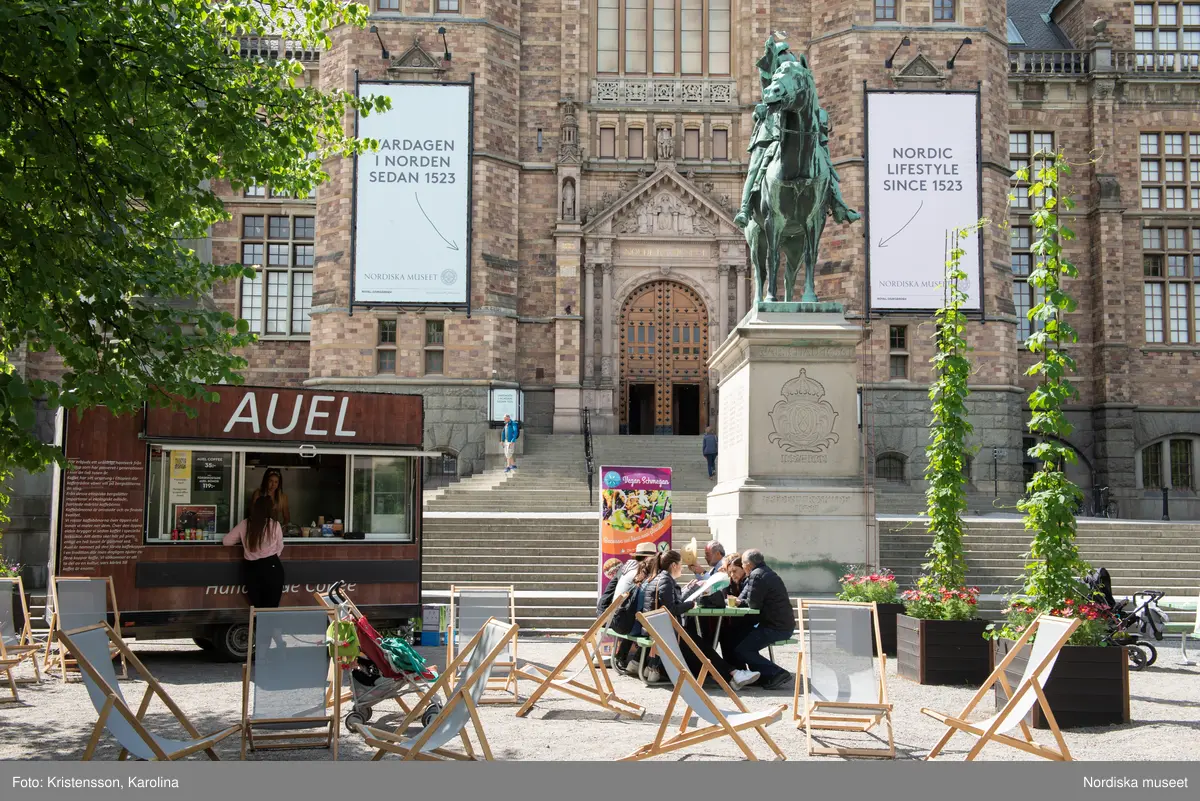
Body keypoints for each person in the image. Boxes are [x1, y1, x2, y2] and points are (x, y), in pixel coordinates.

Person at [643, 549, 759, 690]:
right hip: (664, 632)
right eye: (680, 564)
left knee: (700, 645)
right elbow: (671, 609)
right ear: (674, 565)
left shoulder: (659, 578)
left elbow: (668, 606)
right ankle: (733, 674)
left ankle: (732, 675)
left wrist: (687, 593)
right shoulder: (666, 581)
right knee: (701, 647)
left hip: (660, 629)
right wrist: (691, 604)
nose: (681, 567)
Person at [728, 548, 795, 689]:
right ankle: (760, 675)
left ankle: (777, 673)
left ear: (747, 565)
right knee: (740, 638)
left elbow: (753, 604)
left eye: (743, 565)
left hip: (775, 627)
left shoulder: (756, 575)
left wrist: (740, 602)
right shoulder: (767, 572)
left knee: (742, 649)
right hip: (781, 625)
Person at [223, 495, 286, 609]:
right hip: (272, 568)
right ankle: (268, 627)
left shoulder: (245, 524)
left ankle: (258, 626)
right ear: (270, 510)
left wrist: (242, 539)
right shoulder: (275, 525)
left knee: (257, 608)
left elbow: (226, 541)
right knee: (271, 609)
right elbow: (279, 548)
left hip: (251, 570)